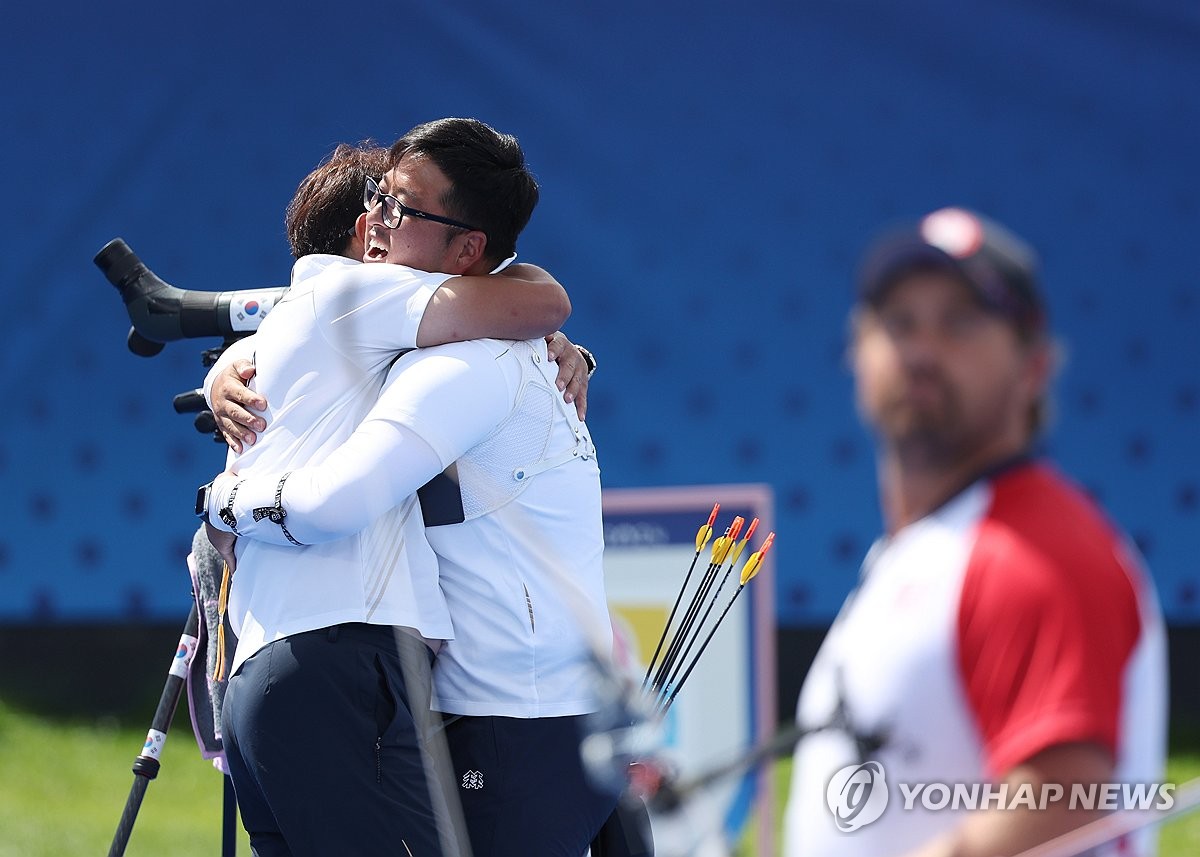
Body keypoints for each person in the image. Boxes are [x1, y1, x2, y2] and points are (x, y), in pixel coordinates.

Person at [203, 118, 621, 856]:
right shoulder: (408, 330)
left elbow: (540, 304)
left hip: (511, 716)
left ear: (468, 252)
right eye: (376, 200)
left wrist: (222, 502)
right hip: (502, 706)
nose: (377, 224)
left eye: (400, 207)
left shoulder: (463, 359)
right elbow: (534, 300)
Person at [782, 207, 1167, 857]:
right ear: (857, 351)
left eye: (961, 321)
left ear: (1035, 366)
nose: (922, 349)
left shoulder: (1035, 550)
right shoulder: (923, 552)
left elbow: (1061, 803)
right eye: (898, 322)